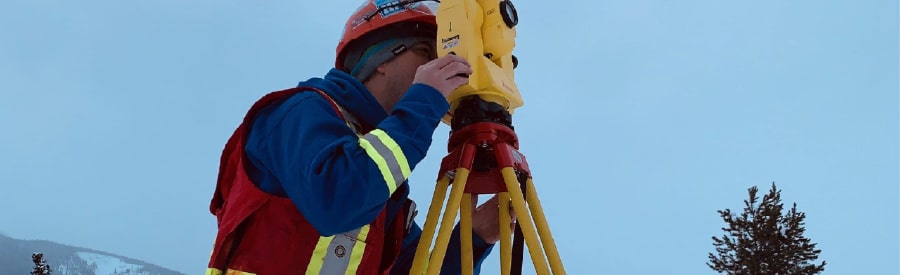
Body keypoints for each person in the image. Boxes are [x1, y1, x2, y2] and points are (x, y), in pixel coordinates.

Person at [206, 1, 510, 274]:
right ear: (378, 59)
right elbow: (338, 201)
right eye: (425, 52)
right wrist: (424, 102)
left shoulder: (380, 175)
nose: (439, 65)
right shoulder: (300, 113)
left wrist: (473, 238)